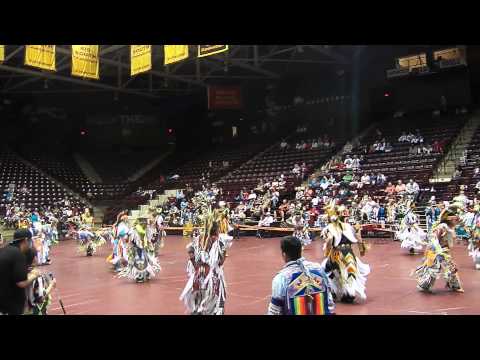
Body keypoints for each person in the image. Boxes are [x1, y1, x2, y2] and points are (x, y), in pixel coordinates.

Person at [267, 236, 335, 315]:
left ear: (284, 255)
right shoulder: (318, 269)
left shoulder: (282, 278)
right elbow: (329, 300)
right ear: (301, 251)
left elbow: (274, 310)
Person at [321, 202, 370, 303]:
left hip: (336, 253)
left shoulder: (328, 228)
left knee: (325, 269)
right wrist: (362, 250)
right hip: (349, 253)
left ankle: (334, 292)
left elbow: (329, 240)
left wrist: (326, 252)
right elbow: (359, 238)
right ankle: (348, 293)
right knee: (350, 271)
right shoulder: (349, 226)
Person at [414, 206, 464, 293]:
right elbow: (434, 239)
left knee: (451, 268)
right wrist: (438, 249)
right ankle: (424, 285)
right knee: (433, 271)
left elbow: (460, 222)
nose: (455, 222)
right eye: (454, 220)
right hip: (436, 251)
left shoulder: (450, 227)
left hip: (444, 251)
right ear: (449, 219)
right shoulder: (441, 227)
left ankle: (455, 286)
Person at [0, 229, 42, 315]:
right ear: (26, 240)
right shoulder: (18, 254)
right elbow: (21, 283)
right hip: (12, 301)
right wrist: (35, 274)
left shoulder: (5, 250)